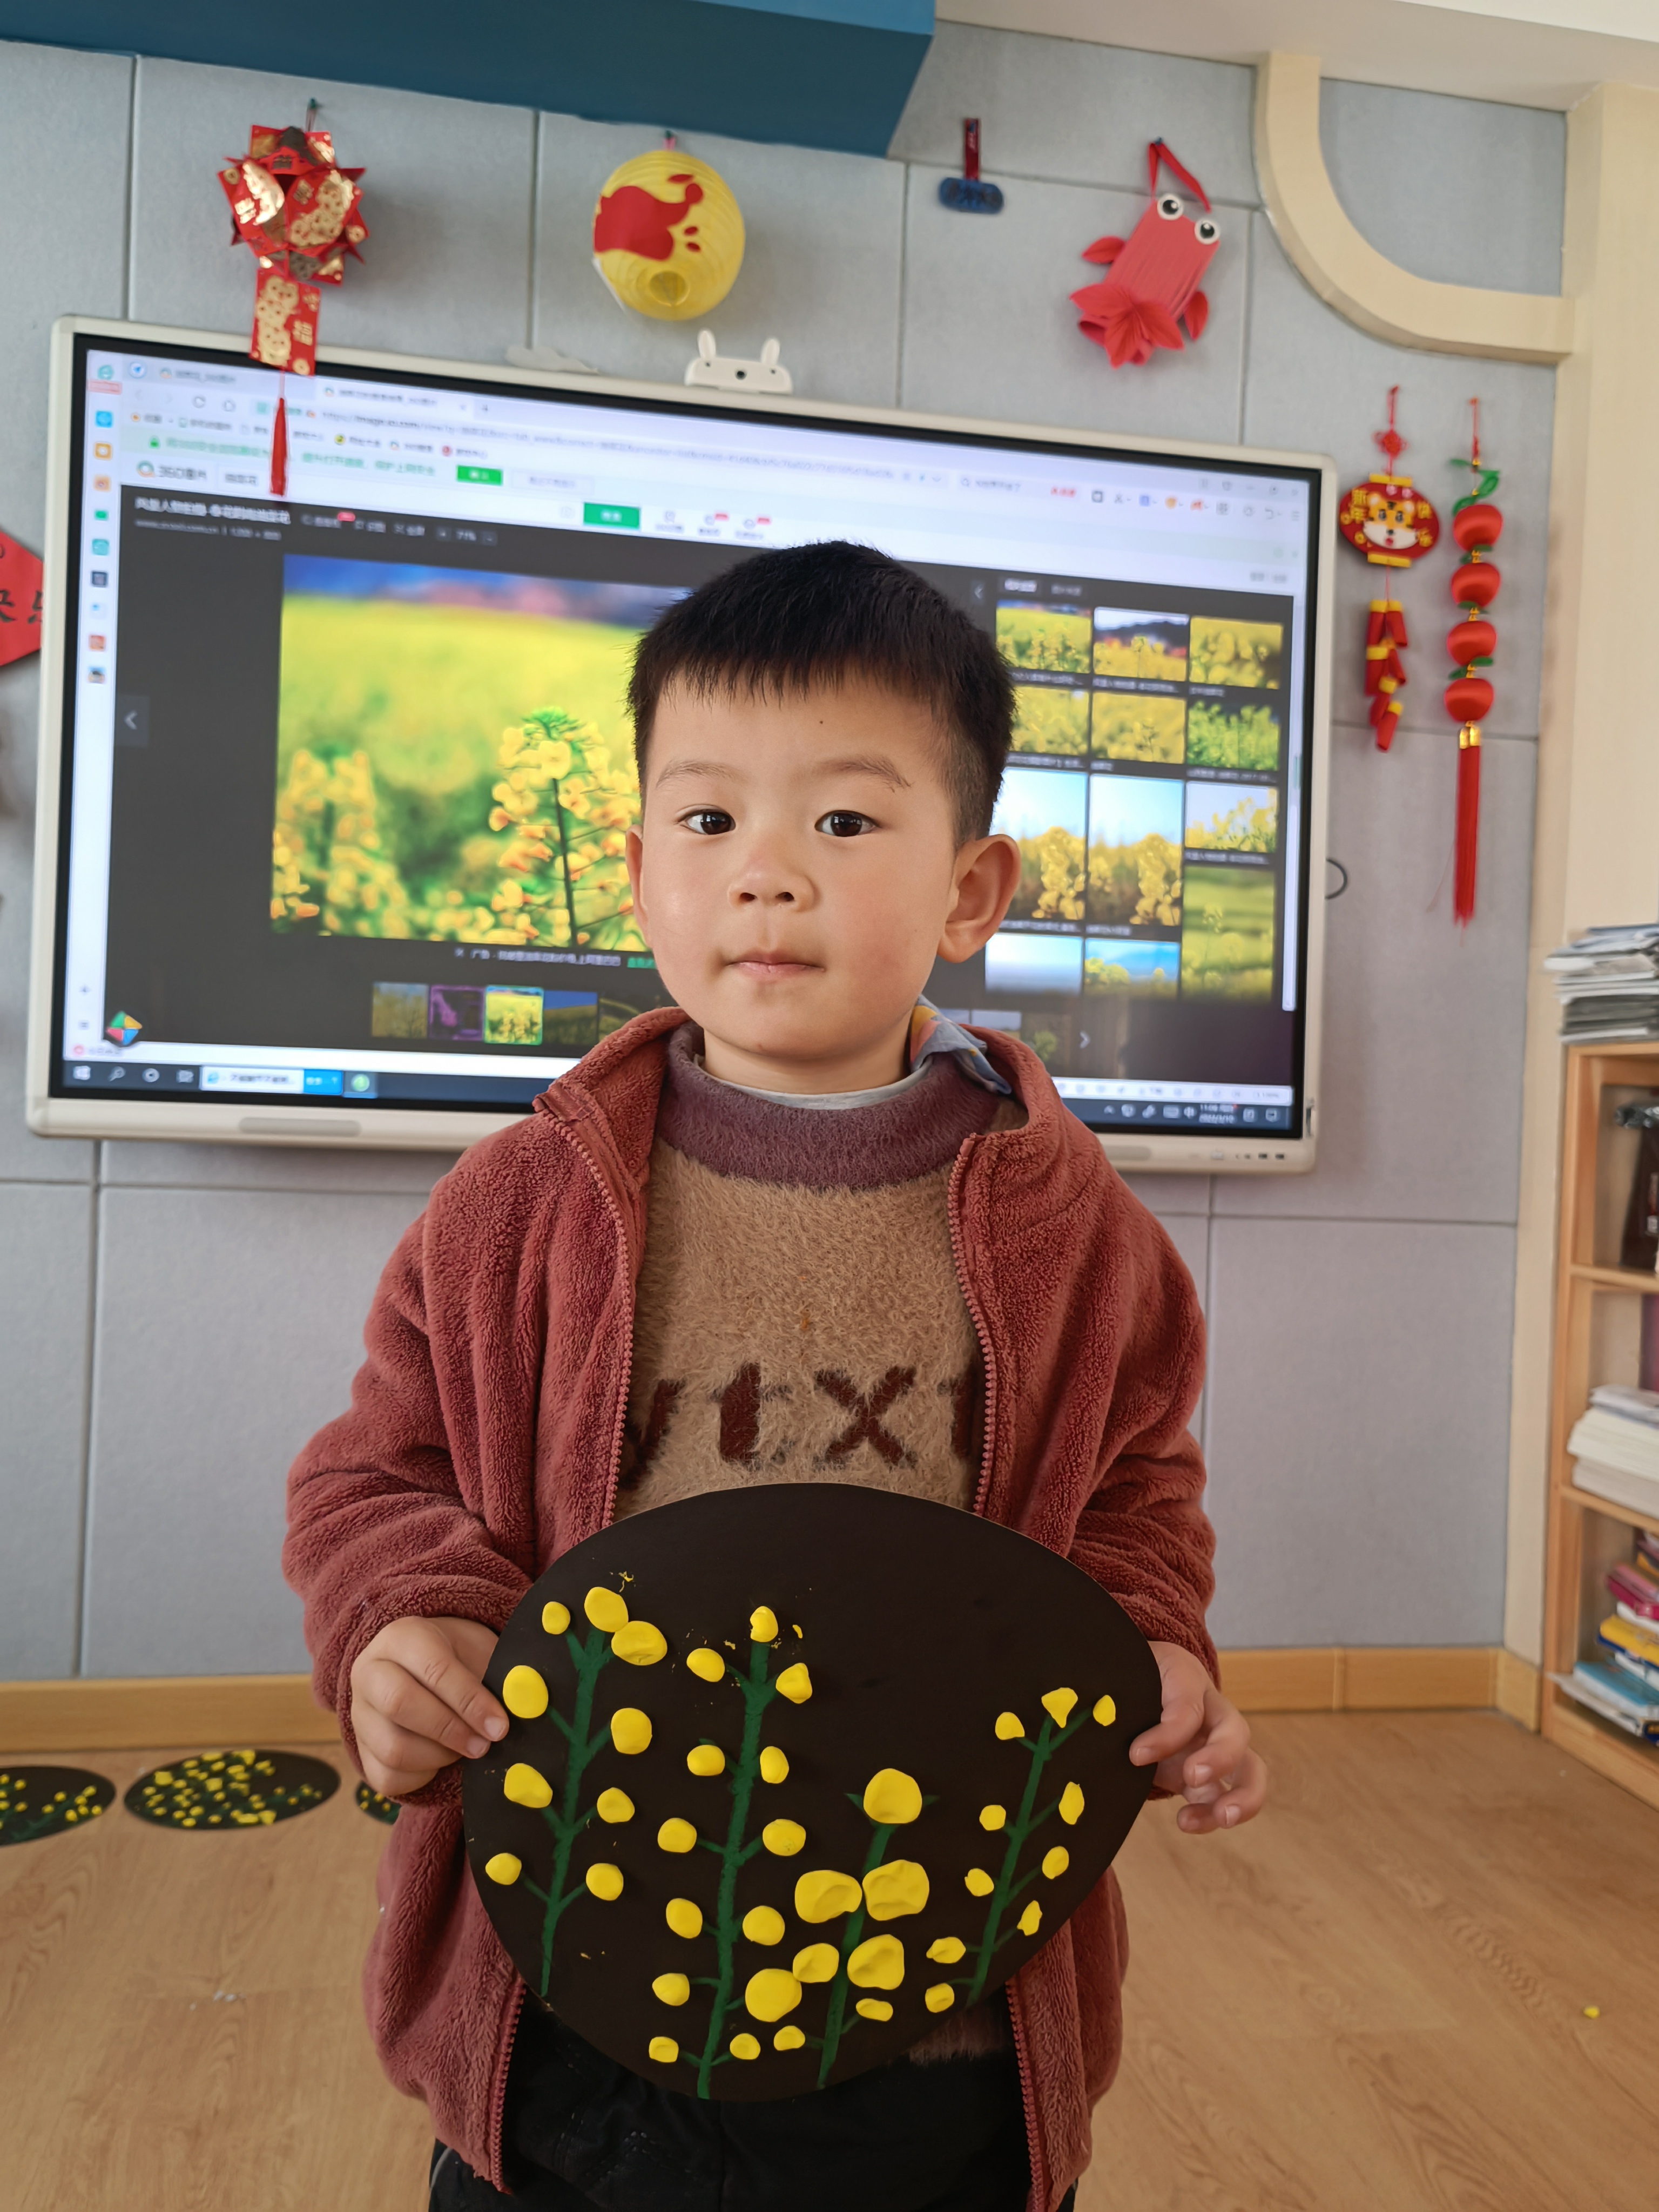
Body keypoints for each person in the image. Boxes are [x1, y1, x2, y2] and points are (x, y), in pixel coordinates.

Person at [284, 542, 1267, 2212]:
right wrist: (404, 1620)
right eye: (708, 818)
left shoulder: (1078, 1230)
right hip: (567, 1990)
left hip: (937, 2001)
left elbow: (1137, 1491)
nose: (765, 876)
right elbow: (378, 1473)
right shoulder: (521, 1205)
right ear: (636, 870)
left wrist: (1150, 1643)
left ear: (972, 891)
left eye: (847, 820)